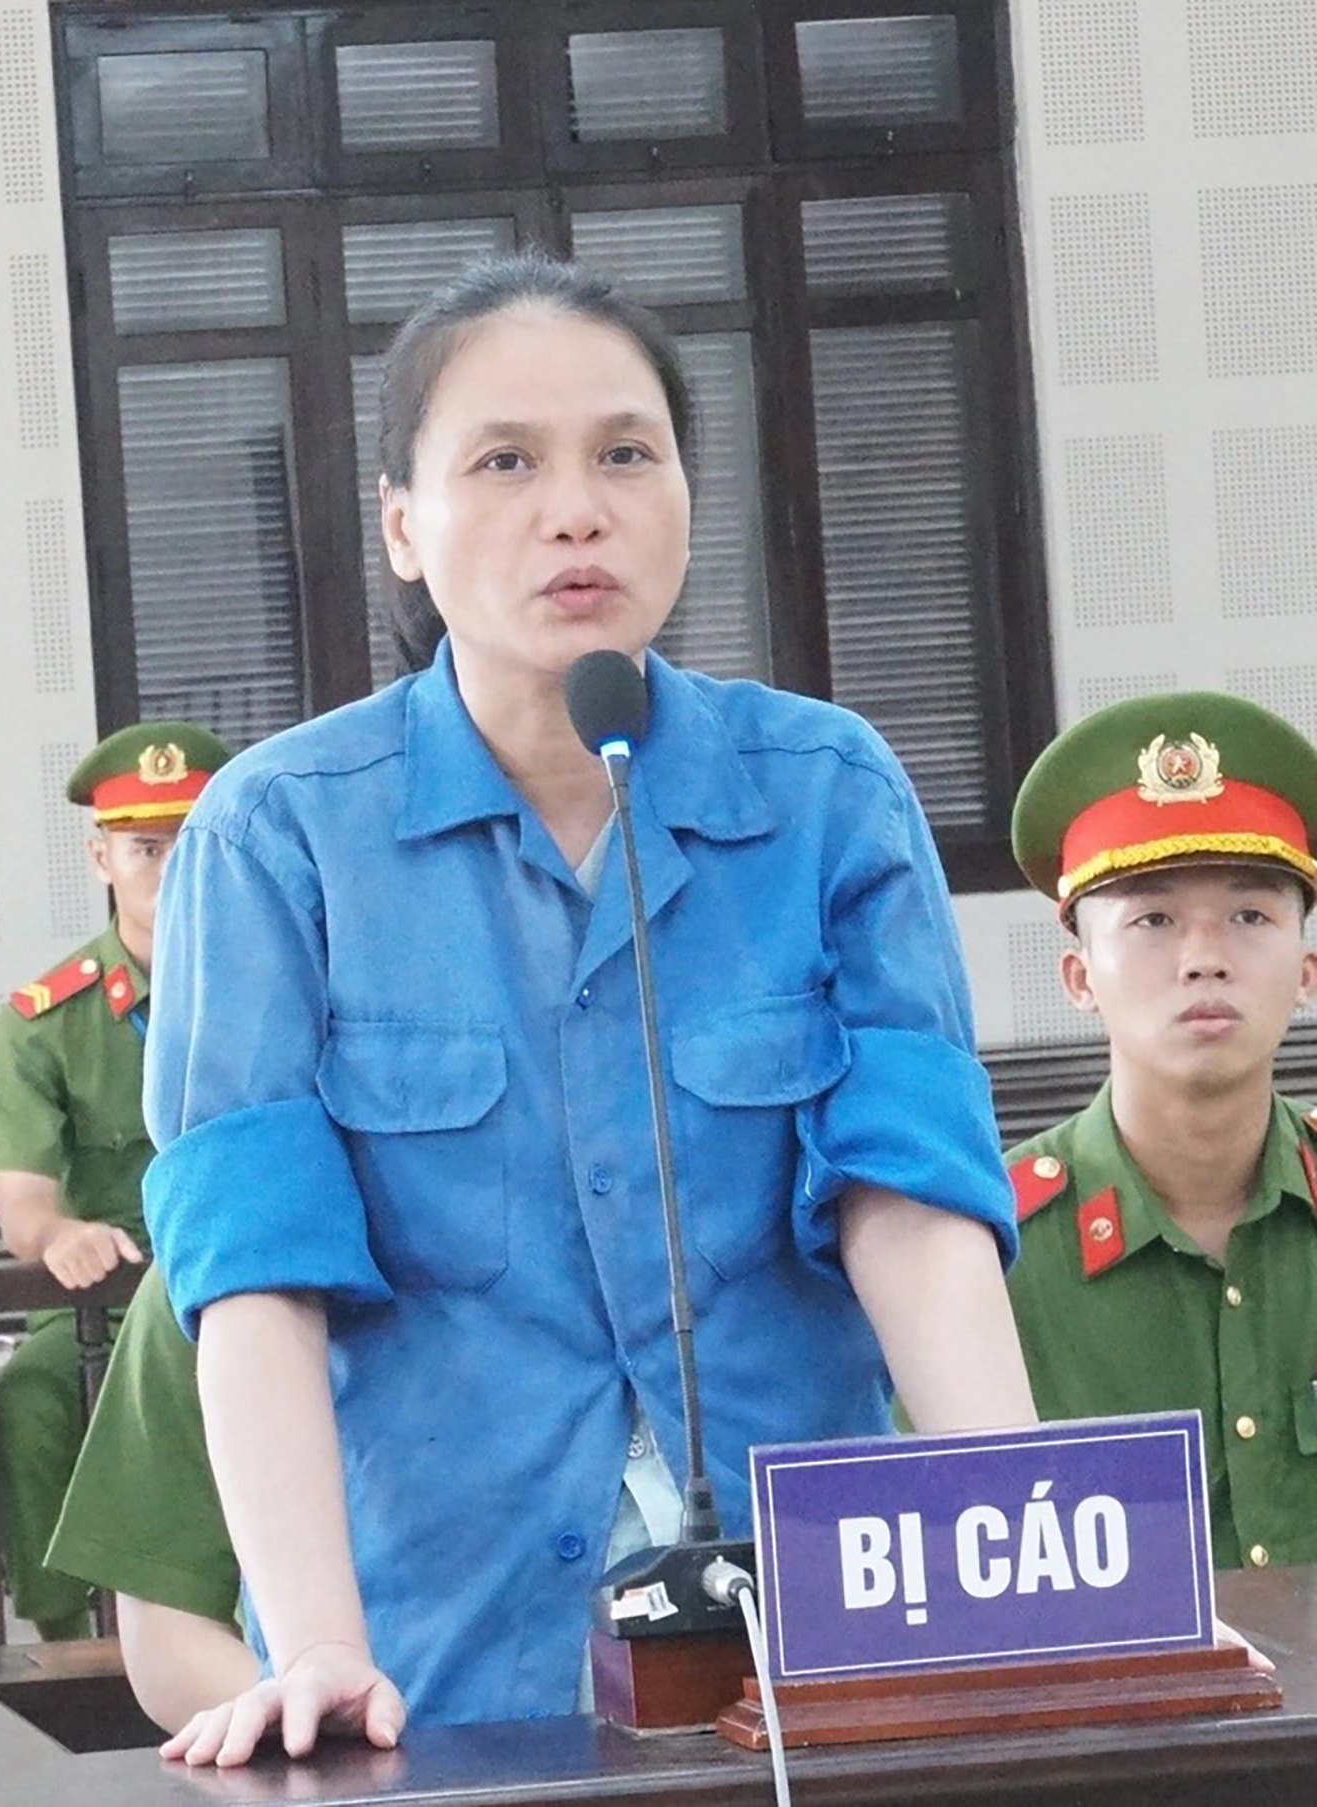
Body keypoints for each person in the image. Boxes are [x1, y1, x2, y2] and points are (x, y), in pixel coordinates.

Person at [140, 253, 1039, 1766]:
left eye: (627, 453)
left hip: (813, 1647)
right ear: (402, 524)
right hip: (442, 1659)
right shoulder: (277, 836)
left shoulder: (825, 793)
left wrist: (1017, 1563)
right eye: (505, 462)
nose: (577, 510)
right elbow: (255, 1281)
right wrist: (320, 1643)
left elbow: (912, 1208)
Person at [1004, 691, 1317, 1572]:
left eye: (1250, 916)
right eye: (1153, 920)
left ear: (1306, 971)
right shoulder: (989, 1256)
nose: (1204, 957)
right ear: (1079, 978)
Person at [0, 720, 230, 1640]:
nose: (168, 867)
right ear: (101, 857)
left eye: (188, 842)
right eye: (144, 847)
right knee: (30, 1400)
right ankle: (69, 1637)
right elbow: (25, 1212)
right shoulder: (44, 1022)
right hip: (106, 1303)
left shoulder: (277, 979)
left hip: (250, 1278)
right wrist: (62, 1235)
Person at [42, 1264, 255, 1729]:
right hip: (332, 1740)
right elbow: (167, 1642)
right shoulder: (206, 1264)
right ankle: (58, 1624)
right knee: (30, 1407)